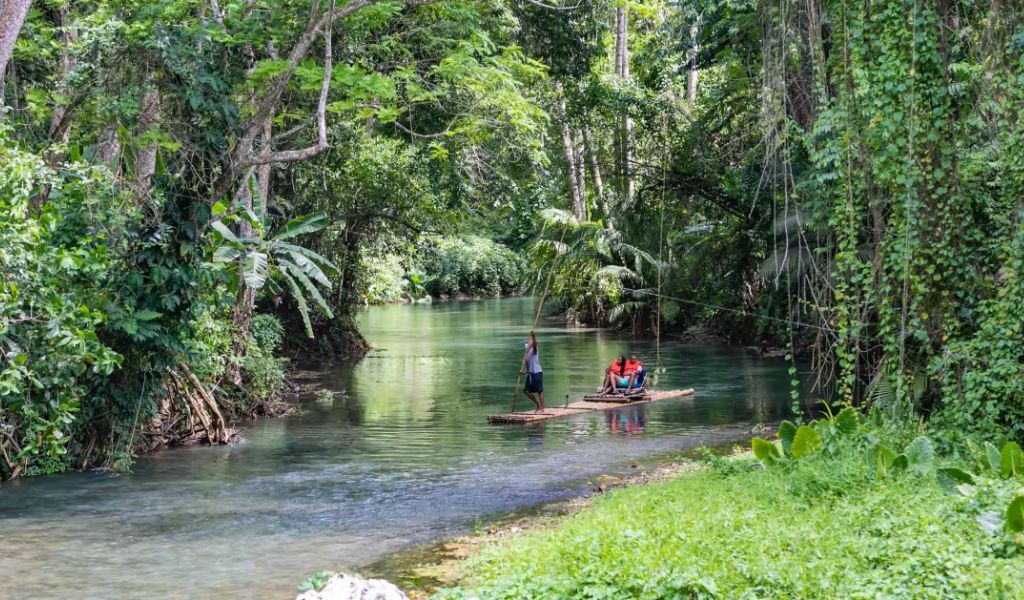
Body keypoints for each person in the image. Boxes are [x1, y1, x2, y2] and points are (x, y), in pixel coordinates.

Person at [519, 330, 546, 413]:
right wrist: (523, 372)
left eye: (529, 342)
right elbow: (528, 368)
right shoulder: (526, 356)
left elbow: (535, 344)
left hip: (537, 373)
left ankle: (542, 409)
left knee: (539, 391)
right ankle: (537, 405)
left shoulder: (534, 351)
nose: (528, 343)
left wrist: (533, 336)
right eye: (528, 343)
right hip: (530, 374)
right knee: (526, 391)